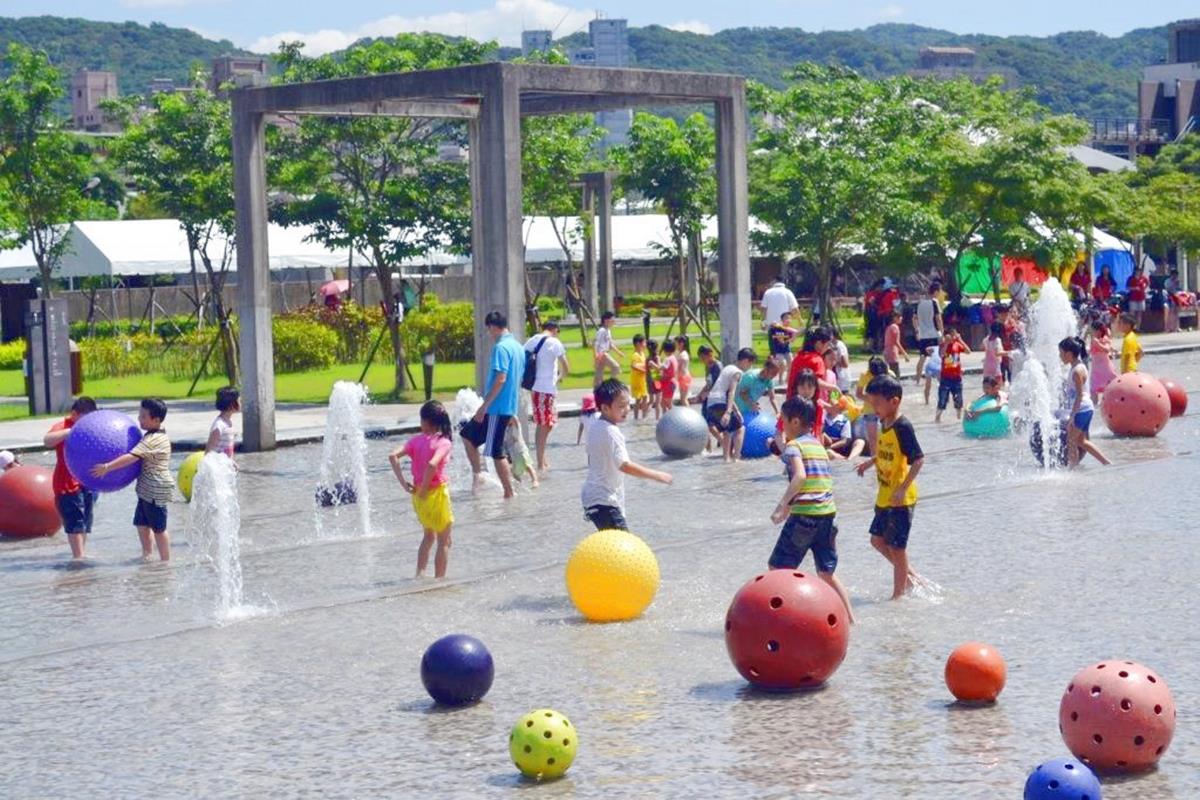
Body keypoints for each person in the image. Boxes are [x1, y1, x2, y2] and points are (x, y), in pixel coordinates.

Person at [768, 397, 855, 623]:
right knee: (826, 573)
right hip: (828, 515)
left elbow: (800, 477)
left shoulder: (793, 446)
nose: (782, 426)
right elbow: (818, 481)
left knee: (777, 568)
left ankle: (781, 619)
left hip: (806, 517)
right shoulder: (817, 445)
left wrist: (781, 507)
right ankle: (850, 619)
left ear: (795, 422)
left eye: (783, 421)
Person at [854, 376, 926, 600]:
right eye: (871, 402)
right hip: (885, 494)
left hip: (900, 498)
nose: (873, 407)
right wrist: (871, 461)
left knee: (897, 547)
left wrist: (903, 489)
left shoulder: (902, 426)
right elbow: (888, 451)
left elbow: (918, 459)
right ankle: (912, 578)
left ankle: (898, 596)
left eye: (877, 403)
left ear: (894, 402)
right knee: (877, 540)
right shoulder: (884, 422)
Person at [580, 378, 672, 530]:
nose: (627, 409)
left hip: (592, 498)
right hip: (605, 500)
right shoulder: (611, 431)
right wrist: (657, 475)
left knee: (611, 549)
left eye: (628, 404)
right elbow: (625, 465)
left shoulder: (596, 424)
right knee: (623, 549)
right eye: (621, 406)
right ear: (605, 408)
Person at [92, 398, 173, 562]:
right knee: (141, 524)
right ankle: (147, 555)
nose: (139, 419)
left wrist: (107, 467)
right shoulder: (152, 433)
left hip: (155, 490)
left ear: (156, 420)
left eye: (143, 416)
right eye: (139, 415)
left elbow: (131, 457)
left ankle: (165, 562)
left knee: (159, 527)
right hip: (145, 489)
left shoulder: (154, 439)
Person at [459, 311, 524, 499]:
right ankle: (481, 475)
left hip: (496, 407)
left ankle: (508, 492)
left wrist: (483, 406)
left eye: (489, 330)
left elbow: (501, 378)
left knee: (496, 451)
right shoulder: (518, 347)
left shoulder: (501, 348)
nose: (489, 334)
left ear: (494, 327)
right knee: (468, 435)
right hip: (506, 406)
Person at [388, 401, 455, 577]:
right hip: (436, 494)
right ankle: (439, 581)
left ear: (424, 421)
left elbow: (393, 455)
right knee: (444, 540)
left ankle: (420, 575)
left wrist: (404, 483)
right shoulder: (444, 442)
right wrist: (426, 488)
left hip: (418, 496)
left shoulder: (415, 441)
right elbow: (433, 464)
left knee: (428, 537)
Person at [43, 397, 98, 560]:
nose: (88, 422)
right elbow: (47, 441)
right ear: (74, 414)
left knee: (85, 523)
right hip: (66, 484)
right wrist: (70, 432)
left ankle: (81, 554)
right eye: (85, 418)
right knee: (75, 523)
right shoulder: (63, 426)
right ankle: (78, 558)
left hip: (87, 483)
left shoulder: (92, 427)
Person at [524, 320, 570, 472]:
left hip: (537, 388)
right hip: (545, 388)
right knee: (544, 424)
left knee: (546, 423)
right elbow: (566, 366)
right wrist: (560, 377)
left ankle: (542, 458)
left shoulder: (532, 340)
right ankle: (539, 462)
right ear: (555, 329)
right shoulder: (554, 342)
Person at [1058, 337, 1111, 468]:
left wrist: (1072, 416)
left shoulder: (1077, 371)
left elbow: (1079, 396)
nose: (1060, 356)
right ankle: (1107, 463)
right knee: (1081, 441)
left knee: (1071, 440)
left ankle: (1073, 470)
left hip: (1081, 409)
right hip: (1085, 409)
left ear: (1069, 354)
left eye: (1061, 353)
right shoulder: (1077, 367)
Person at [706, 348, 755, 462]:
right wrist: (728, 412)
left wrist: (736, 411)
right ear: (746, 360)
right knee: (740, 429)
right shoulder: (737, 373)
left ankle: (726, 459)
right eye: (750, 363)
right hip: (720, 402)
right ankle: (736, 459)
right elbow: (731, 392)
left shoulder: (728, 367)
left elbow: (725, 390)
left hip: (711, 402)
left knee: (727, 431)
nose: (750, 367)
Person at [855, 356, 890, 454]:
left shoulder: (890, 374)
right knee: (872, 438)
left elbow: (896, 393)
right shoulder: (865, 375)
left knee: (888, 435)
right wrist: (873, 400)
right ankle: (874, 458)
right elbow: (858, 394)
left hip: (886, 410)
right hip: (870, 410)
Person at [935, 328, 970, 423]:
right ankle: (937, 418)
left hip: (957, 378)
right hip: (945, 378)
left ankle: (958, 419)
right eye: (952, 335)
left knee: (958, 400)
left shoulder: (957, 345)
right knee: (942, 400)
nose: (953, 337)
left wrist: (960, 340)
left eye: (954, 335)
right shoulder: (943, 345)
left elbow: (968, 351)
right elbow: (942, 354)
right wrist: (946, 343)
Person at [913, 282, 943, 381]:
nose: (939, 293)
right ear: (935, 291)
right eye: (939, 291)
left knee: (922, 357)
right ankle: (939, 379)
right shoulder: (934, 302)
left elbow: (914, 318)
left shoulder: (919, 302)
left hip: (922, 334)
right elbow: (938, 319)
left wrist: (917, 331)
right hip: (933, 333)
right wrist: (942, 332)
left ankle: (917, 379)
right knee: (936, 357)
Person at [1087, 320, 1118, 404]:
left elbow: (1107, 349)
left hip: (1106, 368)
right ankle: (1094, 407)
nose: (1091, 332)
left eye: (1092, 330)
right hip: (1096, 369)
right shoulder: (1094, 340)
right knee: (1093, 389)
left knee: (1112, 385)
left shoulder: (1104, 339)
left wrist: (1097, 344)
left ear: (1098, 331)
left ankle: (1114, 402)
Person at [504, 417, 539, 488]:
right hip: (513, 453)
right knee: (514, 472)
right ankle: (519, 484)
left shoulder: (516, 426)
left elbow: (515, 419)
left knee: (528, 466)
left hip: (521, 450)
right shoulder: (506, 429)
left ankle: (535, 480)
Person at [206, 386, 239, 461]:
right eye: (239, 400)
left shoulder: (229, 422)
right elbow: (209, 452)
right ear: (232, 404)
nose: (241, 402)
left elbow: (229, 448)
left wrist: (232, 462)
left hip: (226, 467)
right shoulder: (219, 426)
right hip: (218, 468)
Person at [593, 310, 624, 387]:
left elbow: (610, 344)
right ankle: (611, 385)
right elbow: (595, 343)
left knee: (598, 375)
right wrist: (596, 355)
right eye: (612, 320)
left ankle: (597, 392)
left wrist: (618, 352)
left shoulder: (608, 331)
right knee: (616, 367)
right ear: (606, 320)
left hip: (605, 353)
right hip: (602, 354)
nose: (613, 321)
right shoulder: (601, 331)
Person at [629, 334, 650, 420]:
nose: (645, 344)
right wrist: (644, 371)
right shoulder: (635, 355)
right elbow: (633, 366)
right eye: (644, 342)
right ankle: (636, 417)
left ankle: (644, 416)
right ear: (638, 343)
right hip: (637, 381)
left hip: (643, 380)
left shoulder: (642, 354)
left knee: (645, 397)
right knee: (638, 399)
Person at [882, 309, 908, 378]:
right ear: (895, 318)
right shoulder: (895, 327)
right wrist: (904, 353)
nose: (901, 319)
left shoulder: (889, 327)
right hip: (892, 352)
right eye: (899, 317)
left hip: (887, 351)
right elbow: (896, 342)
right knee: (895, 372)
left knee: (889, 372)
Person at [982, 322, 1006, 388]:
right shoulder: (997, 340)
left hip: (987, 366)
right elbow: (997, 353)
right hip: (995, 367)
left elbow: (982, 347)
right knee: (998, 387)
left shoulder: (986, 339)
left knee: (987, 388)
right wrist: (1008, 353)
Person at [659, 339, 679, 413]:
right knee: (663, 403)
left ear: (664, 350)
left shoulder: (667, 359)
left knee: (668, 403)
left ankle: (675, 416)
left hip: (668, 383)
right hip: (671, 382)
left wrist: (653, 365)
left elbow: (662, 367)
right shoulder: (674, 358)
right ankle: (665, 417)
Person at [831, 328, 852, 393]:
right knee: (834, 399)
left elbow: (845, 364)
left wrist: (834, 361)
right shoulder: (832, 345)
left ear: (834, 336)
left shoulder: (840, 346)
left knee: (842, 400)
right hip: (836, 381)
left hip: (842, 381)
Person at [645, 340, 662, 421]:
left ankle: (644, 416)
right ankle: (657, 419)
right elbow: (659, 368)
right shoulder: (656, 357)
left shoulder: (647, 358)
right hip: (657, 381)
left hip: (649, 381)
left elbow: (647, 372)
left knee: (651, 400)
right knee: (658, 402)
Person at [674, 335, 693, 405]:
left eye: (676, 343)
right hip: (683, 377)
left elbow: (679, 368)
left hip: (684, 378)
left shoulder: (683, 355)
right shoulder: (681, 354)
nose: (675, 345)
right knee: (682, 399)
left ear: (681, 344)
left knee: (683, 399)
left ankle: (688, 414)